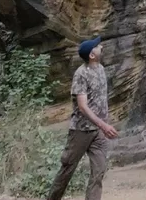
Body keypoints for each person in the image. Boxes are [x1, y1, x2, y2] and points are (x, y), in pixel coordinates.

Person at [47, 36, 118, 200]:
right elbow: (83, 106)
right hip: (81, 131)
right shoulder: (80, 74)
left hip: (98, 132)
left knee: (98, 172)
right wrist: (104, 125)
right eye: (97, 46)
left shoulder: (100, 69)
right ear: (91, 55)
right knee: (67, 170)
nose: (101, 46)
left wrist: (103, 125)